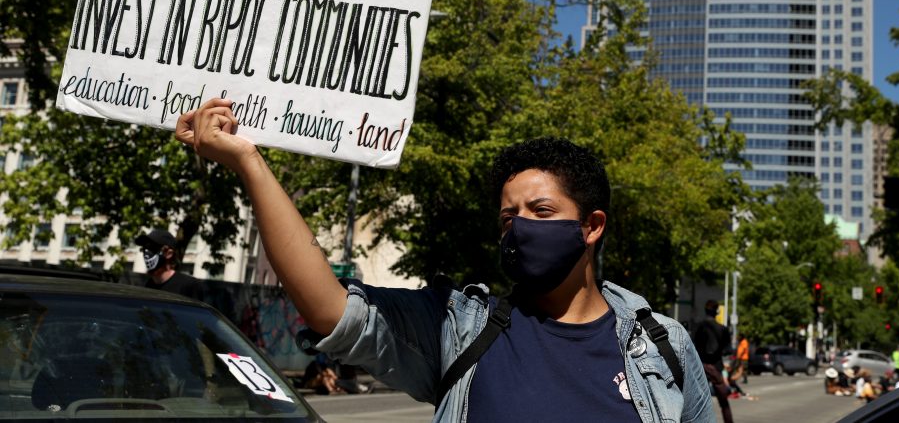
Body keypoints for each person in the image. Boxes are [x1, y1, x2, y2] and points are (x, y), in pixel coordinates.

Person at [175, 100, 713, 423]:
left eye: (541, 211)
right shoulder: (462, 326)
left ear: (591, 227)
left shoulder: (661, 345)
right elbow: (329, 309)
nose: (520, 227)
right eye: (508, 218)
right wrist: (249, 162)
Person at [691, 299, 734, 422]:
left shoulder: (698, 327)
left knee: (694, 401)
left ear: (705, 311)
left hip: (699, 367)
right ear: (717, 312)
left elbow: (691, 347)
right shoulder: (723, 329)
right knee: (724, 403)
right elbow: (728, 351)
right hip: (716, 367)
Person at [135, 228, 201, 299]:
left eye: (152, 248)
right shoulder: (147, 286)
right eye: (144, 249)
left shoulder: (188, 286)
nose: (147, 253)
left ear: (169, 253)